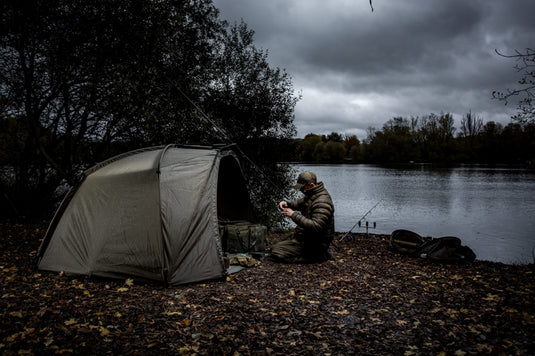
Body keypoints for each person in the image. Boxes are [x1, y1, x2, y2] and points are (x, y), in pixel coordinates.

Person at [271, 171, 335, 263]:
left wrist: (293, 215)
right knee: (274, 248)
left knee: (277, 254)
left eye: (302, 188)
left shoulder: (322, 202)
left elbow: (316, 226)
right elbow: (298, 203)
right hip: (308, 238)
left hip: (317, 243)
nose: (300, 190)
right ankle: (313, 254)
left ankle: (318, 257)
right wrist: (287, 203)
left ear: (311, 185)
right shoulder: (311, 194)